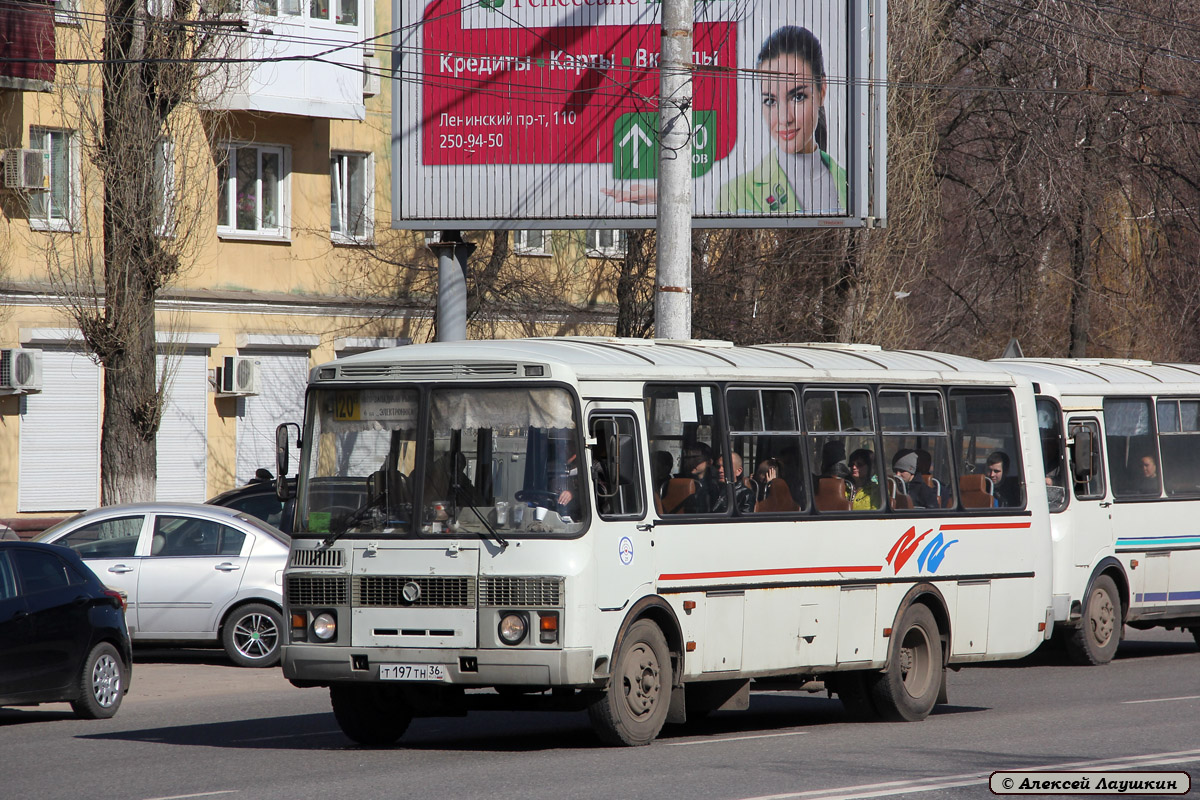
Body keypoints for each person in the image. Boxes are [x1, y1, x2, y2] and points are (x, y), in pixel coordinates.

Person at [716, 26, 846, 214]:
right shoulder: (735, 196)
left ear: (821, 91)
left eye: (798, 97)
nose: (785, 118)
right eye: (770, 101)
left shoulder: (851, 187)